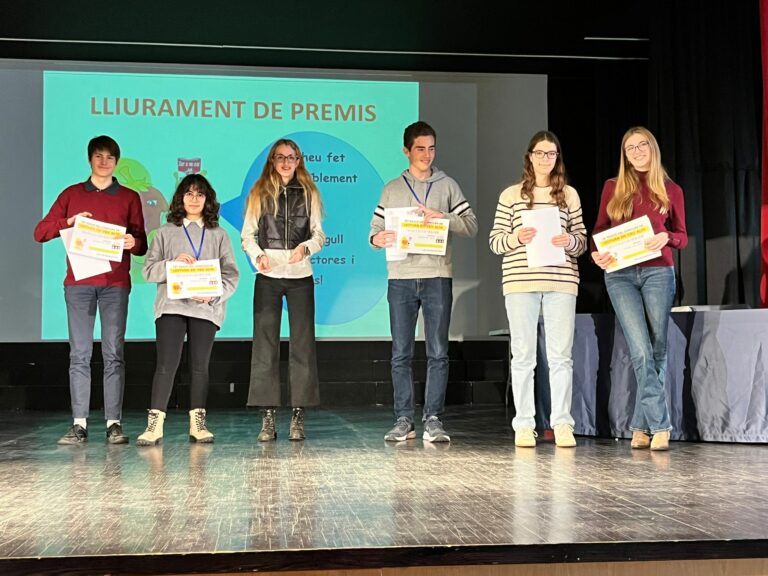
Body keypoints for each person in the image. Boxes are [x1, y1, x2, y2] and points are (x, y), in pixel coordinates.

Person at [34, 135, 147, 445]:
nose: (104, 161)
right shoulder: (71, 194)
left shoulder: (129, 197)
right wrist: (68, 221)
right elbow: (40, 232)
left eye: (110, 157)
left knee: (114, 354)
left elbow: (141, 244)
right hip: (79, 285)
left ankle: (114, 423)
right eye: (99, 156)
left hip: (115, 285)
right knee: (80, 354)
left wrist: (133, 242)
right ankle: (79, 423)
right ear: (89, 159)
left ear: (117, 162)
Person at [370, 121, 478, 443]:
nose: (427, 155)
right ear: (407, 151)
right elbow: (374, 231)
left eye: (431, 148)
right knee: (400, 353)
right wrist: (378, 239)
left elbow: (471, 225)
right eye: (420, 149)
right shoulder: (392, 188)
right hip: (401, 277)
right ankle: (404, 419)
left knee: (438, 352)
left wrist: (443, 217)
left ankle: (433, 418)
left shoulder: (447, 186)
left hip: (437, 276)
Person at [592, 126, 687, 452]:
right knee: (641, 350)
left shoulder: (671, 189)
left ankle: (640, 426)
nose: (636, 151)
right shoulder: (613, 187)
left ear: (652, 148)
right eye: (630, 147)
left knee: (657, 349)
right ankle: (661, 426)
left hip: (658, 273)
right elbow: (600, 230)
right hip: (619, 275)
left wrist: (667, 238)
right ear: (625, 154)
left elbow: (682, 236)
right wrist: (596, 253)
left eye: (641, 145)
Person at [489, 130, 587, 448]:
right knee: (523, 356)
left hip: (561, 281)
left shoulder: (569, 195)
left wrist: (569, 241)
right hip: (521, 281)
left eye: (551, 153)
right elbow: (495, 241)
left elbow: (582, 242)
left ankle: (562, 423)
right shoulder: (511, 195)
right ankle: (524, 424)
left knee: (560, 357)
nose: (546, 159)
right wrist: (517, 237)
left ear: (558, 158)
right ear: (529, 157)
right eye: (540, 153)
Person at [137, 174, 239, 446]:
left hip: (205, 308)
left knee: (200, 366)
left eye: (200, 194)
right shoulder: (164, 232)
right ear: (180, 198)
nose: (194, 199)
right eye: (189, 194)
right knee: (166, 365)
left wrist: (214, 295)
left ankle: (198, 424)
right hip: (171, 306)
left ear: (208, 200)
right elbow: (148, 271)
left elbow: (231, 275)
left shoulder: (219, 235)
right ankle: (154, 425)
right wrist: (172, 265)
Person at [241, 138, 325, 442]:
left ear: (299, 161)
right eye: (281, 157)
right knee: (265, 346)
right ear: (272, 161)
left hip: (300, 276)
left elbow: (319, 235)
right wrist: (258, 256)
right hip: (268, 276)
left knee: (302, 345)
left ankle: (298, 414)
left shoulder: (310, 192)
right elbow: (247, 236)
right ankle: (267, 415)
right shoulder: (259, 192)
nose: (286, 162)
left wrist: (305, 248)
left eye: (292, 157)